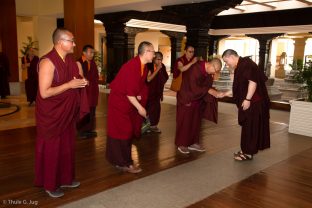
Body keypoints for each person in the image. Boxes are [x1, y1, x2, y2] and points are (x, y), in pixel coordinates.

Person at [34, 28, 89, 198]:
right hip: (52, 115)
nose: (74, 44)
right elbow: (44, 92)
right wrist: (69, 86)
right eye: (71, 41)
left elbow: (75, 79)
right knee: (52, 149)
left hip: (66, 113)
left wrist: (81, 81)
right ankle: (50, 184)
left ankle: (66, 178)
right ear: (60, 42)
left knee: (66, 146)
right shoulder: (47, 62)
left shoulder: (70, 60)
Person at [106, 41, 154, 174]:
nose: (154, 55)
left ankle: (117, 160)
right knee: (124, 131)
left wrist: (140, 97)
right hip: (119, 103)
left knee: (125, 131)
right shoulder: (132, 66)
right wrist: (140, 108)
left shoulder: (143, 66)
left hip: (127, 101)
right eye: (152, 52)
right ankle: (124, 163)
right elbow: (129, 93)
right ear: (145, 52)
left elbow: (139, 86)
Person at [222, 49, 270, 161]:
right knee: (247, 127)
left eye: (226, 61)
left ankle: (248, 153)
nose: (226, 64)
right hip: (249, 101)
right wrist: (227, 93)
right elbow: (238, 86)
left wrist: (248, 99)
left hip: (254, 102)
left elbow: (253, 82)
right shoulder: (240, 65)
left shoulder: (247, 64)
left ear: (232, 57)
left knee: (251, 128)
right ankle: (245, 150)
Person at [175, 58, 229, 154]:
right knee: (185, 122)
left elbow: (207, 85)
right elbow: (193, 87)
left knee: (195, 122)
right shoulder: (195, 68)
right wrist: (211, 91)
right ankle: (182, 144)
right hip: (187, 98)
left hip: (197, 99)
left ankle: (193, 143)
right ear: (211, 65)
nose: (215, 73)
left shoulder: (208, 72)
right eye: (215, 71)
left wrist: (215, 92)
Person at [77, 45, 99, 139]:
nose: (92, 54)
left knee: (92, 110)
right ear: (84, 53)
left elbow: (95, 76)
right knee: (84, 109)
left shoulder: (92, 62)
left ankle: (89, 129)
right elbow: (79, 75)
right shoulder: (79, 62)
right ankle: (81, 131)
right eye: (90, 52)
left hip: (92, 91)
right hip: (84, 91)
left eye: (93, 53)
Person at [146, 52, 169, 133]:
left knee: (156, 110)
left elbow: (165, 77)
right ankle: (147, 126)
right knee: (148, 109)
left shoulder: (162, 67)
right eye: (158, 59)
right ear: (154, 59)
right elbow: (148, 79)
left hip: (157, 92)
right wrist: (157, 69)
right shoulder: (149, 66)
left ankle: (154, 126)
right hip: (149, 92)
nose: (160, 61)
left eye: (161, 59)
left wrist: (160, 71)